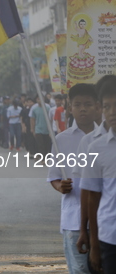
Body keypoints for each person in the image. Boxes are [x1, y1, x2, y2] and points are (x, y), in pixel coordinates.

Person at [47, 83, 98, 274]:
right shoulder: (61, 140)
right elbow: (53, 177)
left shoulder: (107, 138)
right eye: (77, 104)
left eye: (88, 104)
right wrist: (61, 186)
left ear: (97, 106)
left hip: (104, 220)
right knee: (79, 270)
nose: (83, 108)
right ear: (70, 108)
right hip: (73, 219)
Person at [76, 75, 116, 259]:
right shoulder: (94, 146)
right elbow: (91, 195)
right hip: (109, 236)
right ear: (101, 107)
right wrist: (93, 241)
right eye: (107, 106)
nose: (112, 112)